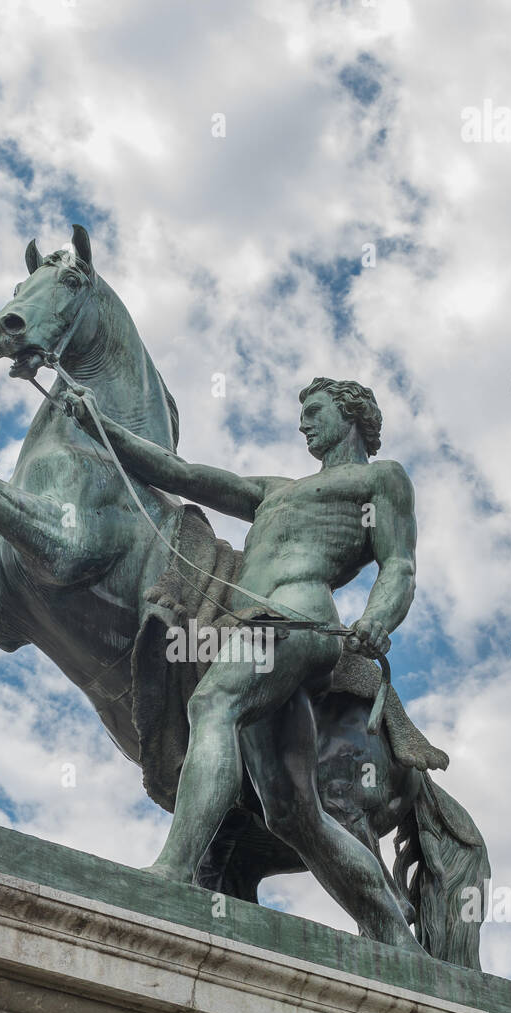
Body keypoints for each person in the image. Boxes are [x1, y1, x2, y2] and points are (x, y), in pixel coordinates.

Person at [61, 375, 423, 952]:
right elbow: (182, 475)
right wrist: (100, 426)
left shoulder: (381, 479)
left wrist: (380, 617)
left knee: (213, 702)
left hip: (297, 616)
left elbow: (399, 565)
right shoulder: (273, 491)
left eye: (316, 410)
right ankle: (396, 937)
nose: (304, 422)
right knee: (292, 814)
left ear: (352, 415)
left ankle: (172, 873)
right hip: (252, 626)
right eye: (301, 412)